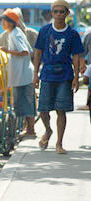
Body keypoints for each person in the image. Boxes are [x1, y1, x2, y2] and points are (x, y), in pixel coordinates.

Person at [33, 0, 84, 154]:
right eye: (56, 12)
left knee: (61, 110)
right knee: (43, 109)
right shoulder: (45, 31)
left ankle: (59, 144)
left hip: (65, 75)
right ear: (52, 13)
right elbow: (38, 52)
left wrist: (76, 77)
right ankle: (48, 130)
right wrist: (35, 74)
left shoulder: (72, 34)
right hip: (47, 74)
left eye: (62, 12)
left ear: (67, 13)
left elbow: (76, 55)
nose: (59, 14)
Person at [0, 8, 36, 138]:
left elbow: (25, 51)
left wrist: (7, 51)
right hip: (21, 75)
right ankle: (28, 129)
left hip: (24, 75)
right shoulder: (14, 33)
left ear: (10, 22)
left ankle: (30, 130)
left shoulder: (15, 34)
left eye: (4, 21)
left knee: (26, 104)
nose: (2, 23)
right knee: (21, 104)